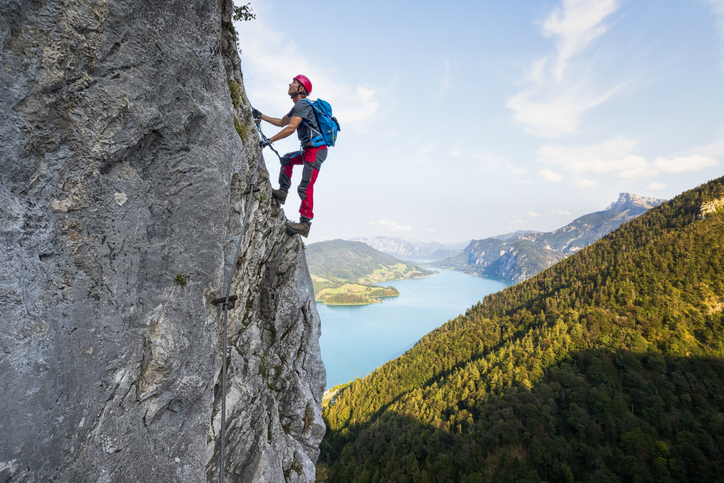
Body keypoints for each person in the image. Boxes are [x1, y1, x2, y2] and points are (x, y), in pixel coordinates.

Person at [252, 75, 327, 238]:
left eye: (294, 83)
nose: (290, 84)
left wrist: (269, 140)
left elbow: (291, 128)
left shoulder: (302, 104)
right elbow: (282, 122)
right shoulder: (298, 107)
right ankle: (282, 193)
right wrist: (261, 115)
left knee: (305, 185)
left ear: (301, 89)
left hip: (316, 150)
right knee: (287, 159)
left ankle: (305, 223)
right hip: (309, 150)